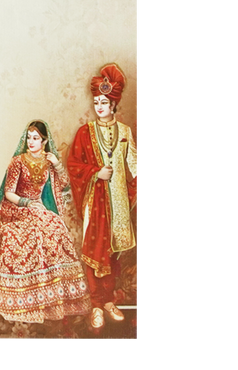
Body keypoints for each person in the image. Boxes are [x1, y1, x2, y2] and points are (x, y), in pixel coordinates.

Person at [0, 120, 91, 323]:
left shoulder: (48, 162)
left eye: (36, 138)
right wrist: (27, 203)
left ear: (44, 141)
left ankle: (51, 297)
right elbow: (9, 192)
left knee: (55, 228)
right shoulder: (17, 162)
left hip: (39, 208)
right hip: (17, 207)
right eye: (28, 138)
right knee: (22, 234)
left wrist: (57, 164)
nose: (31, 142)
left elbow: (64, 184)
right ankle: (20, 299)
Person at [67, 63, 140, 329]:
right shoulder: (85, 133)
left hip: (118, 202)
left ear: (114, 104)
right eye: (96, 102)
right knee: (95, 250)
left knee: (114, 253)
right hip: (94, 203)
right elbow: (74, 164)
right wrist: (96, 173)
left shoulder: (124, 132)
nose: (99, 106)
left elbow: (134, 163)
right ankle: (96, 305)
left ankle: (109, 301)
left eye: (104, 102)